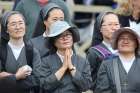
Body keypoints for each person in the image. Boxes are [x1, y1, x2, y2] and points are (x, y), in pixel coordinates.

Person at [39, 21, 92, 93]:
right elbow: (44, 86)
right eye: (60, 36)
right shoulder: (46, 61)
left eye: (68, 35)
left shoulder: (82, 61)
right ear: (54, 41)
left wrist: (71, 68)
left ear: (72, 38)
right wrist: (63, 68)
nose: (65, 38)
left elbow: (86, 86)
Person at [0, 11, 41, 93]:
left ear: (25, 27)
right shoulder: (1, 50)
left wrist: (9, 77)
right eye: (13, 24)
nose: (18, 27)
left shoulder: (33, 51)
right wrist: (17, 76)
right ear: (6, 29)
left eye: (20, 23)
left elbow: (37, 79)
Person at [95, 27, 140, 93]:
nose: (125, 41)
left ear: (136, 43)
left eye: (130, 38)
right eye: (121, 38)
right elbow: (102, 90)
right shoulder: (107, 65)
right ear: (116, 43)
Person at [87, 12, 120, 92]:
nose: (114, 28)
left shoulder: (127, 50)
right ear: (100, 28)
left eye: (116, 24)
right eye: (110, 24)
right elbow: (89, 80)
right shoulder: (94, 52)